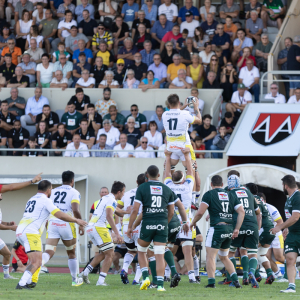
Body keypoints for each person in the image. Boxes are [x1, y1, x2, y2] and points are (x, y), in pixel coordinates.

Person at [15, 180, 87, 289]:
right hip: (31, 233)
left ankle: (29, 281)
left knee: (35, 260)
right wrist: (76, 220)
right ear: (49, 190)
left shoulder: (31, 198)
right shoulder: (46, 200)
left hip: (21, 231)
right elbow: (60, 215)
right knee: (37, 261)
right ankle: (21, 284)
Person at [190, 175, 244, 288]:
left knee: (210, 256)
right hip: (229, 228)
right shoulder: (230, 195)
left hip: (217, 228)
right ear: (222, 184)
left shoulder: (209, 194)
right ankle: (236, 281)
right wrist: (237, 228)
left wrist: (193, 222)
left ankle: (211, 283)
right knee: (224, 257)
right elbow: (241, 212)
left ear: (211, 184)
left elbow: (200, 212)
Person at [127, 165, 175, 291]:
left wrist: (130, 226)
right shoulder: (167, 189)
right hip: (161, 224)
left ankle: (145, 277)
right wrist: (165, 222)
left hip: (148, 223)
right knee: (159, 255)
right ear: (159, 175)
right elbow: (171, 212)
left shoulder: (142, 187)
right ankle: (160, 286)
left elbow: (135, 210)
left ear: (147, 175)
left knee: (142, 250)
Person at [40, 171, 84, 286]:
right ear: (72, 180)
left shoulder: (53, 191)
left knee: (49, 251)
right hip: (67, 223)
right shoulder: (74, 192)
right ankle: (75, 280)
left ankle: (38, 265)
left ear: (62, 180)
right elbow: (75, 210)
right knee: (71, 253)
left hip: (52, 222)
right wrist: (80, 223)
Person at [81, 181, 124, 286]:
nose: (123, 194)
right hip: (99, 227)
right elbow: (110, 215)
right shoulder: (112, 200)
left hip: (91, 227)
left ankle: (85, 273)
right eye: (123, 192)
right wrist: (117, 234)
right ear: (119, 192)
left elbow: (115, 211)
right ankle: (100, 281)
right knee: (110, 253)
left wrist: (128, 212)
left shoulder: (106, 198)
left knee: (104, 253)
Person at [269, 175, 300, 292]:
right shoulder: (289, 198)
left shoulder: (298, 197)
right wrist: (287, 229)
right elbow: (290, 217)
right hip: (292, 234)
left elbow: (296, 216)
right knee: (290, 259)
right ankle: (291, 286)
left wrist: (280, 227)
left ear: (285, 185)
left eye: (283, 185)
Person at [162, 93, 202, 165]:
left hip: (171, 146)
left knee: (169, 168)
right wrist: (196, 107)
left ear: (169, 104)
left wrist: (184, 106)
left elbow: (175, 113)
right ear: (179, 102)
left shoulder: (165, 114)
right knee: (191, 169)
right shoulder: (185, 114)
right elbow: (199, 120)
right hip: (184, 146)